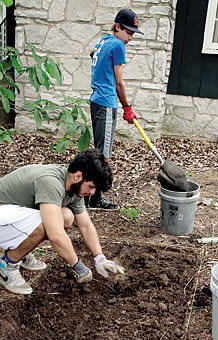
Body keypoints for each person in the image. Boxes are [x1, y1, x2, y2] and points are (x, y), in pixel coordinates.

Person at [0, 148, 124, 295]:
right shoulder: (51, 183)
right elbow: (56, 235)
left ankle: (21, 250)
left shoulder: (73, 186)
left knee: (66, 216)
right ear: (78, 176)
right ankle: (7, 264)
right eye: (91, 187)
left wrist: (99, 257)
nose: (91, 193)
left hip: (6, 216)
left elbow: (85, 225)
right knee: (47, 223)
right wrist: (78, 266)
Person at [88, 8, 144, 211]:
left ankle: (89, 194)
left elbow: (92, 54)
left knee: (99, 149)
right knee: (104, 154)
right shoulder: (118, 46)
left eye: (133, 33)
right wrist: (127, 107)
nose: (130, 37)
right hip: (107, 102)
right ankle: (94, 199)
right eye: (128, 32)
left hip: (96, 100)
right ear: (118, 27)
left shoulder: (104, 40)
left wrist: (102, 75)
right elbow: (119, 84)